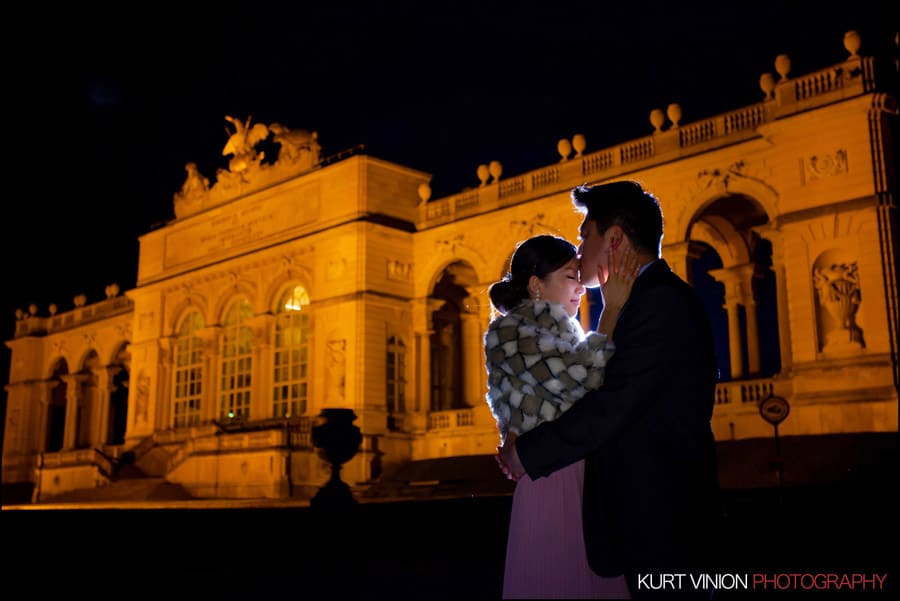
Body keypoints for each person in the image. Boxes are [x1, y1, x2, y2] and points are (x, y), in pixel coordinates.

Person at [496, 181, 723, 600]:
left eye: (586, 236)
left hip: (660, 526)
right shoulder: (648, 300)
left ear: (614, 237)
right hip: (641, 520)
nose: (580, 252)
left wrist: (526, 453)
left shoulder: (658, 303)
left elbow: (609, 406)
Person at [484, 233, 638, 599]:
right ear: (537, 284)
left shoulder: (557, 330)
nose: (581, 288)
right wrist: (612, 310)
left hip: (571, 470)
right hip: (552, 479)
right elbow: (587, 383)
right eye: (571, 276)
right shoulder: (513, 331)